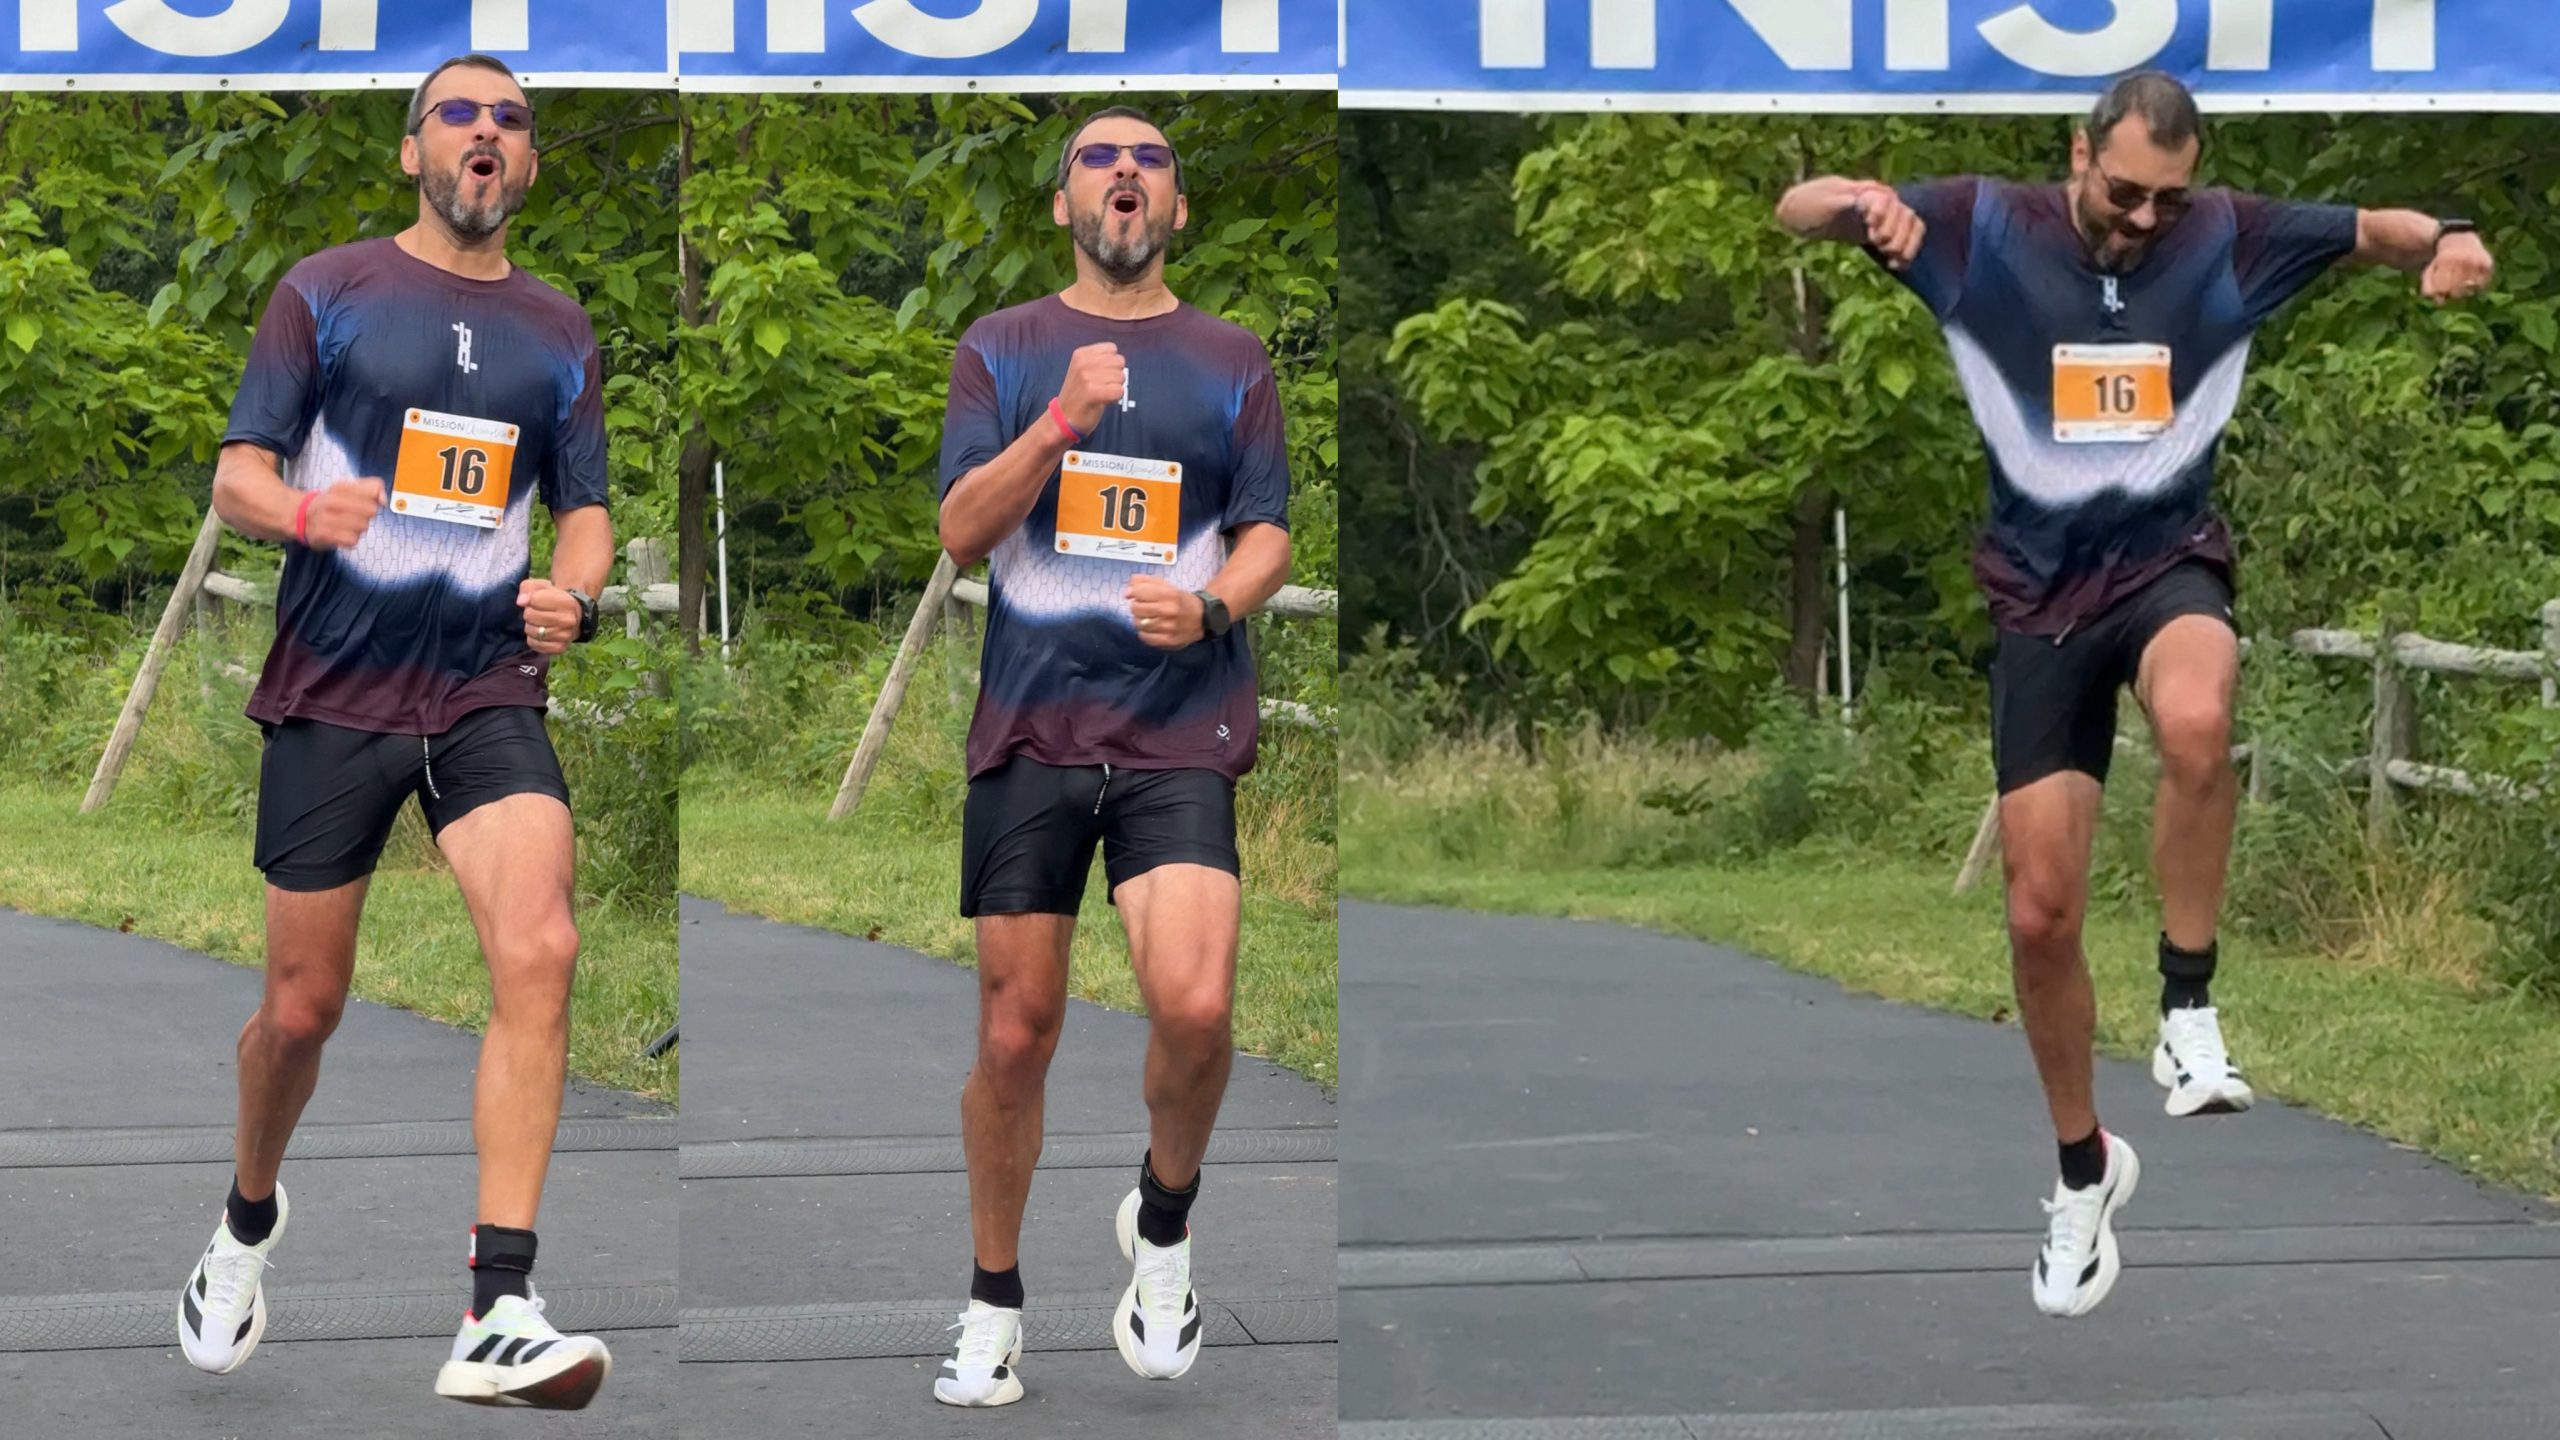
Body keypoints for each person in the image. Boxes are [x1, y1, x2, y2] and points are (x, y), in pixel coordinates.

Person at [1775, 69, 2494, 1320]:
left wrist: (2451, 239)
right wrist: (1853, 202)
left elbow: (2379, 229)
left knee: (2201, 718)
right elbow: (1798, 208)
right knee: (2041, 915)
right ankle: (2081, 1176)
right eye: (2123, 193)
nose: (2143, 220)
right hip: (2037, 603)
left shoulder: (2225, 234)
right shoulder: (1985, 224)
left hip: (2167, 570)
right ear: (2077, 152)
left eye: (2167, 197)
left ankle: (2187, 1006)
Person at [183, 53, 619, 1408]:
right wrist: (302, 512)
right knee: (300, 1013)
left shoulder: (561, 330)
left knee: (542, 944)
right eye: (460, 116)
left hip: (484, 683)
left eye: (511, 121)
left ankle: (502, 1300)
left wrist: (574, 592)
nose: (486, 135)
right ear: (412, 151)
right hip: (335, 685)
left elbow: (585, 509)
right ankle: (248, 1219)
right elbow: (238, 470)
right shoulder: (327, 289)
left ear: (529, 162)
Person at [928, 104, 1295, 1406]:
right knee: (1017, 1035)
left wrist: (1211, 607)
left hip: (1176, 730)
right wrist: (1053, 429)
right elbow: (963, 531)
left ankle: (1164, 1220)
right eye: (1099, 158)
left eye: (1150, 161)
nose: (1125, 174)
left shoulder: (1232, 358)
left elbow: (1267, 535)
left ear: (1177, 208)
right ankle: (993, 1305)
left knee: (1195, 1008)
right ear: (1063, 204)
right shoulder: (1005, 348)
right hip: (1032, 730)